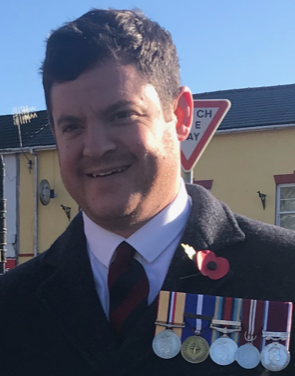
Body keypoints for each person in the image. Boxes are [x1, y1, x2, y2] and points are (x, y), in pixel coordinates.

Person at [0, 8, 295, 376]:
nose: (95, 147)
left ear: (181, 115)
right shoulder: (13, 302)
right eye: (72, 126)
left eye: (122, 115)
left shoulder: (283, 271)